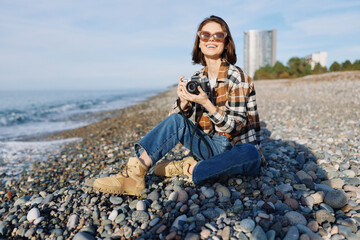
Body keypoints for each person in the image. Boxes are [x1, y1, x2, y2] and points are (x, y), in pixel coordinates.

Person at [93, 15, 264, 196]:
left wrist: (206, 102)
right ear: (199, 42)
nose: (211, 39)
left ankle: (190, 168)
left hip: (236, 148)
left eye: (218, 35)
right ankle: (135, 174)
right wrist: (183, 102)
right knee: (176, 119)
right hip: (210, 146)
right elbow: (171, 125)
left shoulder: (237, 76)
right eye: (205, 35)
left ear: (226, 41)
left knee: (251, 153)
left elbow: (233, 127)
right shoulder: (197, 79)